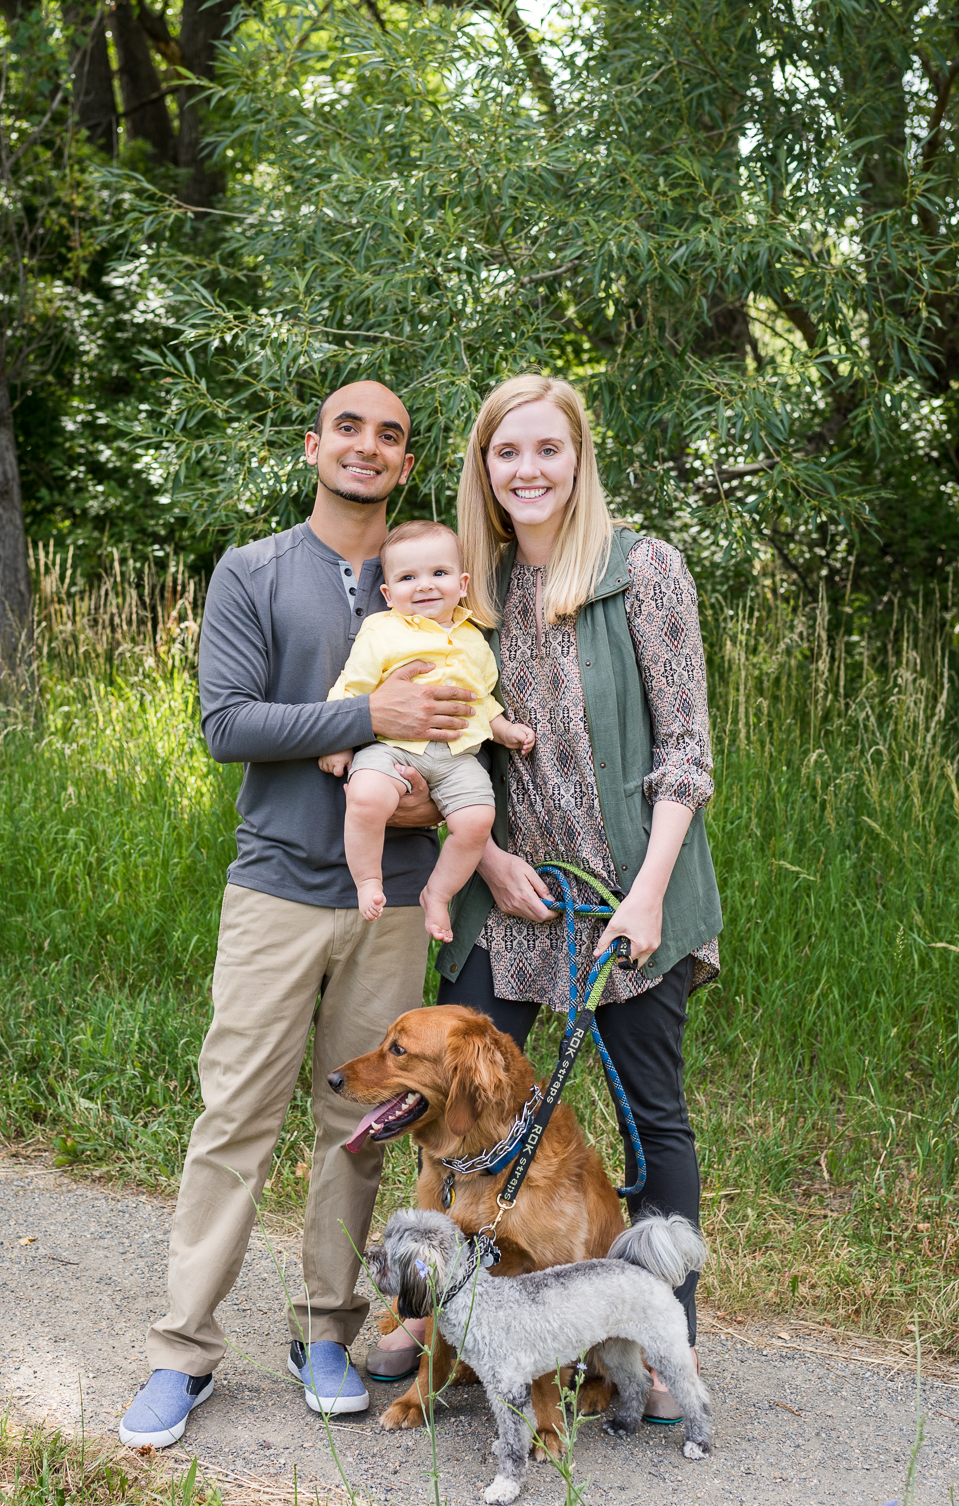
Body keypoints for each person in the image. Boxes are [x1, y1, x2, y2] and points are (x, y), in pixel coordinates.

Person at [119, 381, 479, 1447]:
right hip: (277, 885)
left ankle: (327, 1331)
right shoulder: (257, 570)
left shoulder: (438, 580)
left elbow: (464, 727)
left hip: (399, 897)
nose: (369, 447)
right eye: (351, 429)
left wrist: (431, 788)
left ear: (406, 463)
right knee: (235, 1118)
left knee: (361, 1125)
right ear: (315, 446)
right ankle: (181, 1351)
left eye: (392, 435)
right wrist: (371, 712)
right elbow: (227, 722)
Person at [383, 374, 723, 1416]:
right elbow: (437, 747)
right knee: (455, 1106)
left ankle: (661, 1352)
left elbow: (686, 751)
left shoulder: (644, 570)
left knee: (651, 1119)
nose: (526, 470)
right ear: (481, 468)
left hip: (628, 897)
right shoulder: (468, 591)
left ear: (580, 457)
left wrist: (650, 894)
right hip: (514, 897)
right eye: (505, 453)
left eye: (547, 449)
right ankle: (429, 1316)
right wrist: (485, 860)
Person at [319, 519, 534, 941]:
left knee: (477, 820)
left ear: (462, 583)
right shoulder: (382, 630)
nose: (424, 586)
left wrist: (504, 730)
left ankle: (437, 893)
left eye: (439, 573)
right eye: (407, 577)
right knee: (365, 797)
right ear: (387, 593)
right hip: (393, 749)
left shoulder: (474, 639)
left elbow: (481, 699)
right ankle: (367, 879)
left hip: (457, 758)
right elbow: (354, 684)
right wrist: (339, 741)